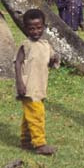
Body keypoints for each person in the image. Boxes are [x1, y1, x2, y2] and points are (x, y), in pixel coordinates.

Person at [14, 9, 60, 156]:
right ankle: (40, 144)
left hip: (40, 85)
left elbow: (50, 60)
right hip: (28, 86)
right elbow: (17, 63)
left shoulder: (46, 44)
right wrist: (19, 83)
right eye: (31, 28)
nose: (35, 31)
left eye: (39, 28)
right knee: (37, 114)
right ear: (26, 28)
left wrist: (54, 60)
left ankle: (26, 140)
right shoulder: (25, 45)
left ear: (44, 27)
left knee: (29, 115)